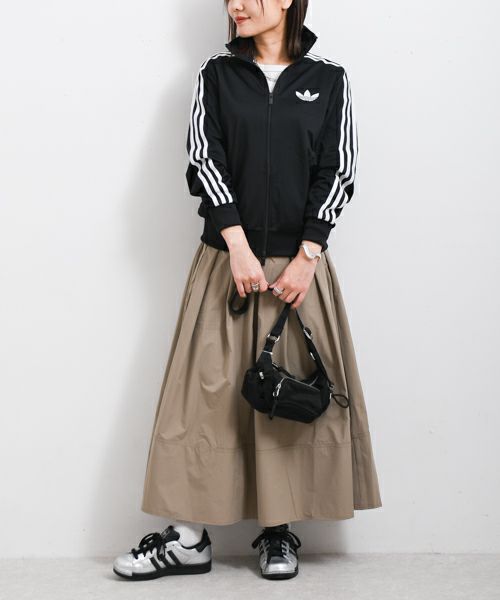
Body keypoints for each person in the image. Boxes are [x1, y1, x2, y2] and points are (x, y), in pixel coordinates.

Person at [113, 0, 382, 581]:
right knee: (202, 399)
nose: (236, 4)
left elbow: (338, 170)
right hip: (225, 263)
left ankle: (278, 532)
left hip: (297, 271)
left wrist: (307, 256)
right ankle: (188, 538)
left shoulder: (328, 80)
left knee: (284, 400)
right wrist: (235, 244)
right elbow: (204, 158)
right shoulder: (216, 74)